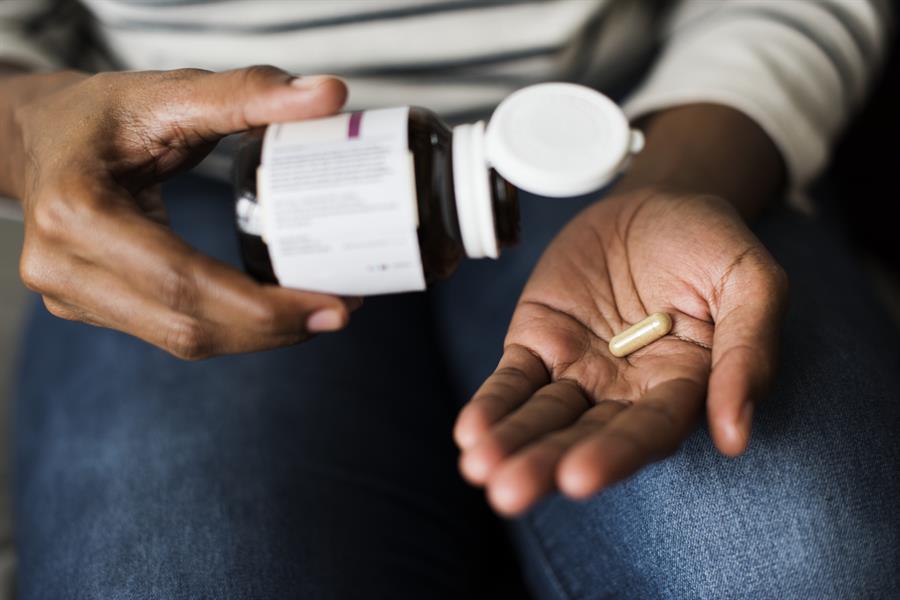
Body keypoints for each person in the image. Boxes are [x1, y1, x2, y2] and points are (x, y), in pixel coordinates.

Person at [1, 1, 898, 598]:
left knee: (807, 565)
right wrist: (32, 130)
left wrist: (683, 176)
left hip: (641, 139)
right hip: (193, 170)